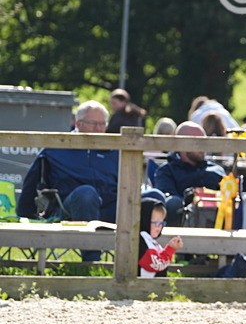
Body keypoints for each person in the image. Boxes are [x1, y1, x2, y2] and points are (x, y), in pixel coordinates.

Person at [16, 101, 119, 261]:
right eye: (93, 124)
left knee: (152, 198)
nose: (99, 129)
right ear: (78, 123)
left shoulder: (114, 152)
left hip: (110, 208)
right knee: (86, 193)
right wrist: (23, 219)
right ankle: (92, 262)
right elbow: (31, 184)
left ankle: (150, 265)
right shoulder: (56, 148)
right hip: (69, 209)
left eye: (102, 124)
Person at [152, 121, 226, 224]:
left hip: (219, 222)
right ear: (182, 144)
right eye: (198, 143)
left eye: (205, 142)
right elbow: (169, 202)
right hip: (184, 226)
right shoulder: (166, 172)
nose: (203, 148)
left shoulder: (217, 170)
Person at [138, 190, 182, 277]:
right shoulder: (140, 241)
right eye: (155, 222)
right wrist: (169, 250)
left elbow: (160, 258)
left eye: (161, 223)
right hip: (143, 288)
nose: (158, 227)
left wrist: (170, 248)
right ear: (145, 220)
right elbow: (155, 265)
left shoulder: (151, 240)